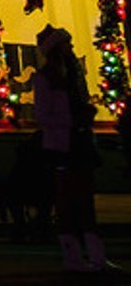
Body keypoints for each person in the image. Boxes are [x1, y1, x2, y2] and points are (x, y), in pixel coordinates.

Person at [33, 24, 109, 274]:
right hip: (62, 146)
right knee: (67, 201)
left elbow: (80, 103)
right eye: (67, 44)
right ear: (56, 49)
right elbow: (43, 116)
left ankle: (97, 257)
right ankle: (73, 256)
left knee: (86, 200)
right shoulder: (45, 78)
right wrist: (72, 120)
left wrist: (86, 115)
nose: (71, 48)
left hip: (80, 143)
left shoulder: (74, 76)